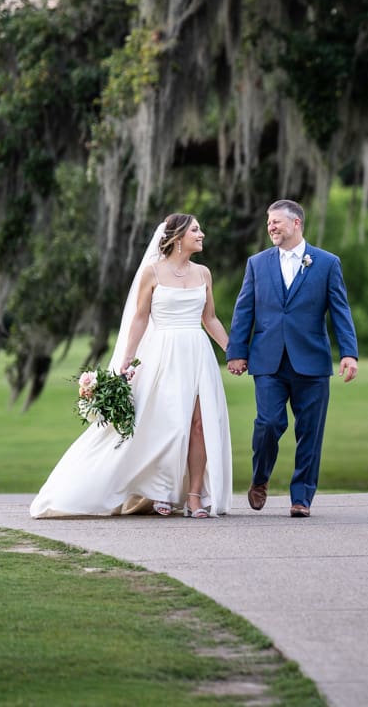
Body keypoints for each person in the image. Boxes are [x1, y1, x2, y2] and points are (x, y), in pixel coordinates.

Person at [31, 214, 234, 519]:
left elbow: (210, 318)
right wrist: (127, 356)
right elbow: (140, 317)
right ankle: (162, 491)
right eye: (195, 229)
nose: (202, 234)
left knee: (199, 425)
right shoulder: (152, 273)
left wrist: (233, 351)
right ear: (177, 237)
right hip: (163, 354)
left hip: (197, 353)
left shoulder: (203, 273)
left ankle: (194, 496)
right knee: (169, 422)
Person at [226, 199, 358, 518]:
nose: (270, 226)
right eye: (268, 222)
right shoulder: (257, 263)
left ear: (296, 223)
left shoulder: (326, 263)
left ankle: (302, 498)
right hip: (268, 361)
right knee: (269, 423)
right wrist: (237, 352)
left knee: (310, 432)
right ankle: (260, 478)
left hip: (311, 361)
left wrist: (349, 353)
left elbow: (340, 310)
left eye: (276, 222)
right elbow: (245, 310)